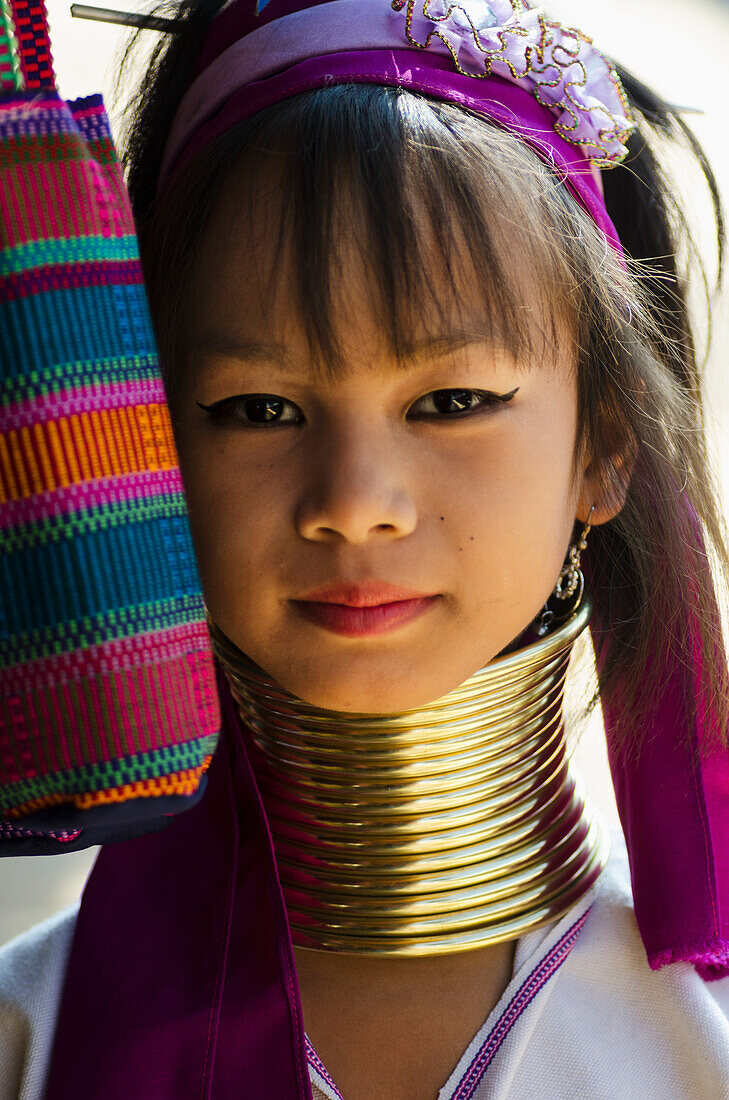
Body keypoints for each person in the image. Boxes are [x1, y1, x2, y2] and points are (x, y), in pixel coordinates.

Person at [1, 0, 729, 1096]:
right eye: (256, 407)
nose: (353, 503)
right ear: (150, 433)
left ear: (605, 448)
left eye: (450, 398)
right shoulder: (24, 1035)